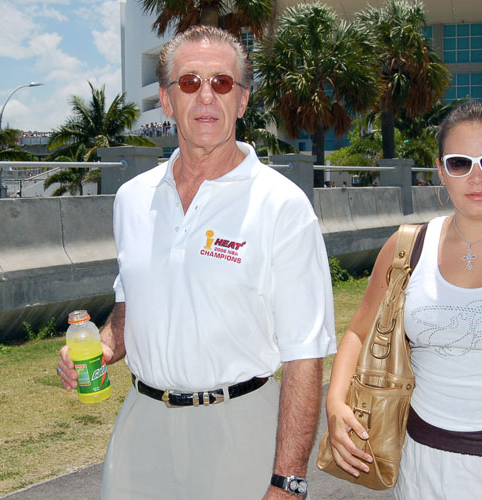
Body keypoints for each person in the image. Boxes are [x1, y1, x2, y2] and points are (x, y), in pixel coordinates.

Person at [57, 25, 336, 500]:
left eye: (222, 83)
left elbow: (304, 355)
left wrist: (287, 481)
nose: (206, 96)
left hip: (242, 426)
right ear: (167, 101)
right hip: (142, 424)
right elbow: (131, 305)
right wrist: (103, 347)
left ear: (242, 101)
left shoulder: (281, 205)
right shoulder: (131, 199)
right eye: (189, 82)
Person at [325, 101, 482, 499]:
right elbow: (358, 332)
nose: (476, 177)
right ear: (440, 170)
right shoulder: (407, 246)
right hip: (423, 467)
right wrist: (335, 402)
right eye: (459, 163)